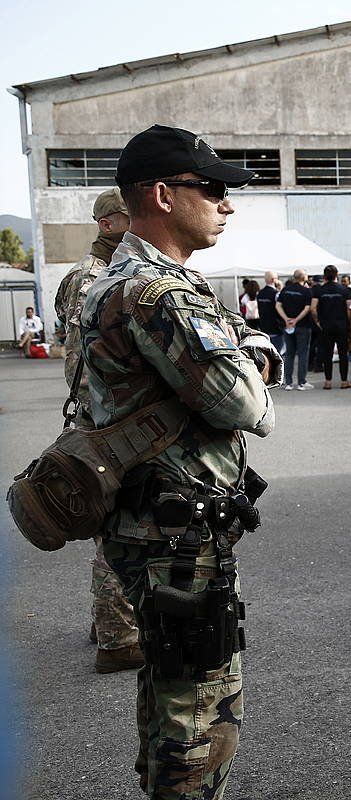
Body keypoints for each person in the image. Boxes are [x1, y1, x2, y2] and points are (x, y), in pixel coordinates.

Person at [81, 123, 279, 799]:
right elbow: (250, 405)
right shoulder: (160, 294)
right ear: (163, 195)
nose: (227, 204)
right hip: (178, 539)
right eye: (214, 189)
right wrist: (253, 353)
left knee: (172, 694)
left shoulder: (122, 281)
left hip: (157, 526)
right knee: (200, 717)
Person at [52, 188, 144, 674]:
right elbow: (93, 358)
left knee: (112, 521)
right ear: (108, 223)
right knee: (119, 526)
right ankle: (118, 636)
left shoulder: (82, 275)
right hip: (108, 418)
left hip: (96, 415)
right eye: (131, 217)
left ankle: (105, 619)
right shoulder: (99, 277)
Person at [312, 264, 351, 389]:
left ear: (324, 276)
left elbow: (313, 309)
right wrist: (349, 325)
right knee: (343, 354)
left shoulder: (319, 290)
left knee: (327, 354)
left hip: (326, 326)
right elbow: (349, 309)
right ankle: (344, 381)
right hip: (341, 325)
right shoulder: (345, 290)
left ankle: (328, 381)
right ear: (337, 275)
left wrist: (318, 322)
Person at [276, 269, 314, 391]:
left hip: (288, 326)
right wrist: (296, 320)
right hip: (302, 325)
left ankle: (288, 383)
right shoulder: (306, 291)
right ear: (304, 278)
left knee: (289, 354)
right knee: (302, 354)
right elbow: (307, 308)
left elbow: (277, 305)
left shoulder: (285, 290)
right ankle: (302, 382)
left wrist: (286, 319)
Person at [257, 272, 283, 355]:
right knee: (277, 354)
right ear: (274, 279)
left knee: (266, 355)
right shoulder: (276, 294)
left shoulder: (260, 293)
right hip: (275, 327)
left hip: (263, 326)